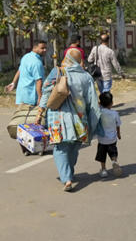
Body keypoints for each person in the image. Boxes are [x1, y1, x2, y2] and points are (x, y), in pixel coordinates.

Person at [39, 48, 102, 192]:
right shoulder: (86, 77)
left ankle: (67, 178)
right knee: (74, 147)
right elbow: (92, 102)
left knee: (60, 149)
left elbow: (46, 92)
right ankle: (69, 173)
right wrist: (93, 121)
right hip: (80, 120)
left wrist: (40, 112)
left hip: (58, 118)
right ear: (79, 60)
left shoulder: (58, 72)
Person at [6, 40, 47, 108]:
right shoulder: (36, 62)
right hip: (31, 96)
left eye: (45, 48)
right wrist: (40, 97)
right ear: (35, 48)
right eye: (42, 48)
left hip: (22, 95)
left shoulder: (26, 57)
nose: (45, 50)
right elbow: (38, 81)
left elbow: (20, 70)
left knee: (22, 114)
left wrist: (13, 83)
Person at [96, 91, 122, 179]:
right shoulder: (115, 114)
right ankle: (114, 162)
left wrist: (99, 104)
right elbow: (118, 125)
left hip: (102, 140)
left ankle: (103, 170)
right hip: (112, 139)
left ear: (100, 103)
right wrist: (119, 134)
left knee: (102, 155)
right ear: (112, 103)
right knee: (113, 152)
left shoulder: (99, 113)